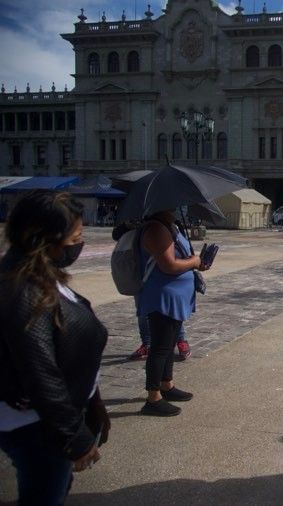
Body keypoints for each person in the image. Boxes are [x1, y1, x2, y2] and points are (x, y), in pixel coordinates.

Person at [0, 190, 109, 504]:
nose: (80, 242)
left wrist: (93, 401)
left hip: (54, 419)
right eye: (76, 236)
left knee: (56, 490)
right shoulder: (24, 292)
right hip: (38, 428)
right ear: (46, 240)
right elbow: (41, 374)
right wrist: (74, 437)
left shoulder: (42, 277)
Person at [137, 209, 210, 416]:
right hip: (162, 296)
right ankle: (153, 396)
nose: (178, 209)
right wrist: (194, 262)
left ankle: (166, 384)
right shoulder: (156, 229)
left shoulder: (170, 228)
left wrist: (197, 262)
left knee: (169, 344)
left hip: (174, 297)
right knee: (160, 346)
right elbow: (168, 265)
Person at [112, 221, 192, 362]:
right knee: (143, 310)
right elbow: (116, 234)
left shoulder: (169, 224)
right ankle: (147, 343)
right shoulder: (138, 220)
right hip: (141, 271)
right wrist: (130, 225)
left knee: (172, 311)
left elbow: (181, 247)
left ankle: (180, 340)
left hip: (164, 276)